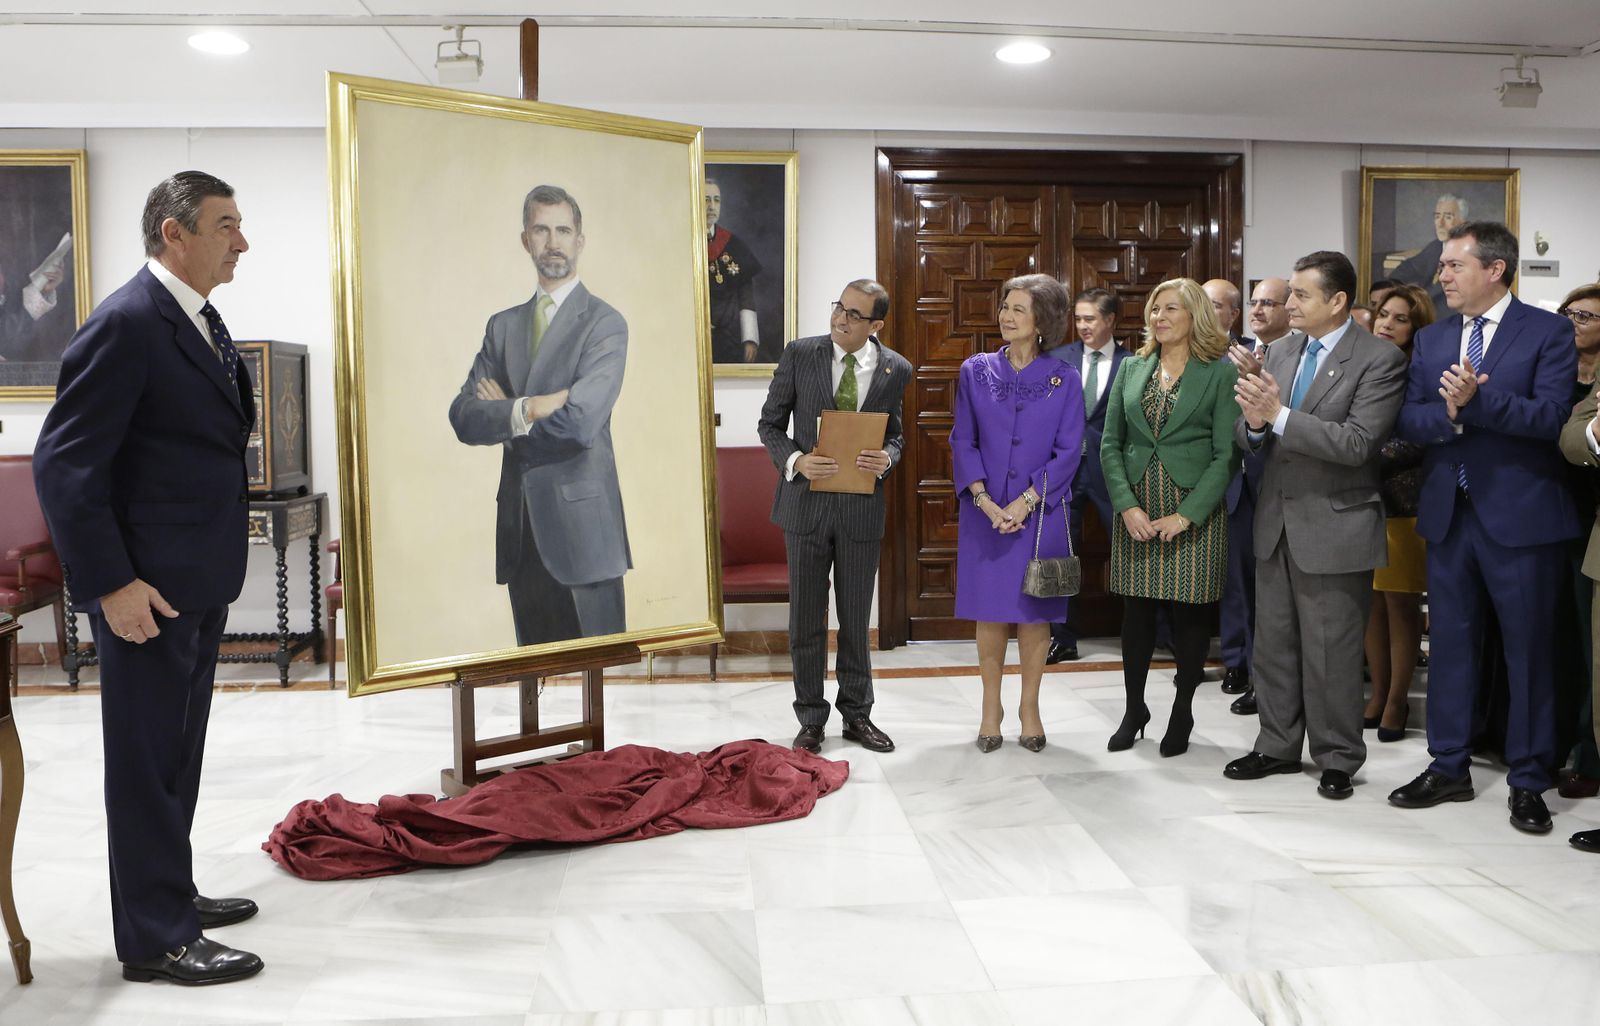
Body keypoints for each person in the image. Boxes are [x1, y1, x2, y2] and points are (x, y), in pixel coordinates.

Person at [31, 171, 263, 985]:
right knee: (144, 765)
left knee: (175, 758)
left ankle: (171, 895)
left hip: (194, 579)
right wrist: (110, 585)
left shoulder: (197, 318)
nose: (241, 242)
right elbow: (64, 465)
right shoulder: (127, 322)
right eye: (226, 225)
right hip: (146, 592)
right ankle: (156, 939)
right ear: (175, 233)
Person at [1389, 221, 1579, 835]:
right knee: (1450, 647)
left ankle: (1529, 779)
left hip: (1523, 518)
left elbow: (1552, 418)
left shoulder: (1547, 331)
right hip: (1450, 514)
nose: (1440, 275)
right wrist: (1448, 413)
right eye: (1442, 265)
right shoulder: (1433, 338)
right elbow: (1410, 420)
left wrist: (1479, 402)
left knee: (1529, 653)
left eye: (1453, 265)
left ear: (1495, 269)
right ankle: (1448, 766)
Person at [1225, 251, 1408, 800]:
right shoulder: (1280, 350)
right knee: (1273, 647)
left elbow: (1357, 443)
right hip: (1275, 521)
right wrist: (1255, 425)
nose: (1290, 305)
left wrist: (1277, 416)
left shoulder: (1378, 359)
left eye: (1301, 295)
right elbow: (1249, 432)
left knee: (1332, 651)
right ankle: (1276, 745)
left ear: (1337, 301)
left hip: (1335, 524)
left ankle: (1338, 756)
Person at [448, 184, 631, 647]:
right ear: (525, 240)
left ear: (579, 240)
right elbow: (464, 416)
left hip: (585, 535)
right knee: (534, 670)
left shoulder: (605, 324)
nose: (553, 242)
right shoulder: (502, 326)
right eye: (541, 230)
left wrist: (505, 414)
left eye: (563, 231)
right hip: (520, 528)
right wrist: (531, 406)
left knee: (596, 672)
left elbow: (580, 425)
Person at [758, 279, 911, 754]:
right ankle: (810, 719)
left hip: (860, 509)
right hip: (805, 507)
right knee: (806, 619)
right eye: (839, 308)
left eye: (854, 314)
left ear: (876, 325)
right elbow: (769, 424)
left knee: (856, 620)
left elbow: (896, 435)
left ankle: (857, 715)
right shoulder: (801, 354)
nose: (840, 319)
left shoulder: (895, 368)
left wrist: (888, 458)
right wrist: (797, 460)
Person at [1102, 278, 1239, 757]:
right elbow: (1110, 443)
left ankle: (1183, 711)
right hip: (1137, 507)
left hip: (1193, 511)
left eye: (1171, 309)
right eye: (1155, 309)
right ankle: (1133, 710)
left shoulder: (1220, 374)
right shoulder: (1131, 367)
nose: (1159, 317)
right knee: (1136, 615)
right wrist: (1126, 506)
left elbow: (1226, 456)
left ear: (1195, 315)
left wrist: (1187, 516)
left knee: (1190, 616)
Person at [951, 274, 1084, 751]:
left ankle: (1030, 707)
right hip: (984, 514)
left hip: (1041, 514)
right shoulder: (975, 370)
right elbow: (962, 439)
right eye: (1005, 307)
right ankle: (991, 708)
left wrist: (1026, 501)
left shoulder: (1064, 378)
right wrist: (985, 501)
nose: (1006, 316)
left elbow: (1069, 451)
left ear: (1042, 321)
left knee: (1033, 613)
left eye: (1018, 309)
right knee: (989, 614)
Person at [1221, 277, 1298, 716]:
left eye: (1270, 302)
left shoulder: (1299, 354)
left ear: (1289, 309)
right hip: (1238, 481)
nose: (1259, 310)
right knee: (1240, 583)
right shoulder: (1236, 354)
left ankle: (1266, 680)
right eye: (1254, 302)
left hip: (1281, 483)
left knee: (1273, 593)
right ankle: (1241, 664)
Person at [1363, 284, 1435, 741]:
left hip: (1404, 502)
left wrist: (1357, 455)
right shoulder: (1367, 364)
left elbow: (1418, 438)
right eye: (1383, 314)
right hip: (1361, 502)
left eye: (1400, 318)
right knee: (1369, 605)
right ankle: (1377, 692)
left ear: (1416, 327)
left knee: (1400, 606)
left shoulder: (1420, 373)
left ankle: (1397, 701)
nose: (1387, 323)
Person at [1047, 287, 1127, 664]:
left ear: (1110, 320)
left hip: (1114, 473)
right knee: (1060, 554)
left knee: (1131, 553)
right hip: (1064, 473)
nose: (1082, 326)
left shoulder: (1134, 363)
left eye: (1090, 318)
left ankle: (1151, 633)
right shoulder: (1058, 359)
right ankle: (1063, 637)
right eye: (1078, 319)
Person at [1554, 283, 1600, 802]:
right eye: (1570, 312)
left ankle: (1589, 756)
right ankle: (1558, 743)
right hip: (1553, 516)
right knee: (1560, 642)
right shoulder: (1554, 370)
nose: (1573, 322)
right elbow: (1567, 439)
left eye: (1586, 316)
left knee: (1593, 650)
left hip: (1592, 521)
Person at [704, 177, 764, 364]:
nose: (712, 206)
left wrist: (749, 339)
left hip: (728, 339)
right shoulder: (682, 243)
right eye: (706, 200)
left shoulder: (733, 244)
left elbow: (745, 296)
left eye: (716, 200)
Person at [1391, 194, 1466, 314]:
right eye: (1437, 216)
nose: (1440, 223)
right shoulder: (1435, 247)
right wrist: (1390, 288)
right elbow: (1408, 268)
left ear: (1462, 222)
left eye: (1448, 217)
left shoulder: (1468, 253)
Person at [1204, 278, 1250, 345]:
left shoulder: (1248, 348)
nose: (1203, 310)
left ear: (1233, 314)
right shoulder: (1188, 344)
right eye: (1200, 304)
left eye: (1213, 306)